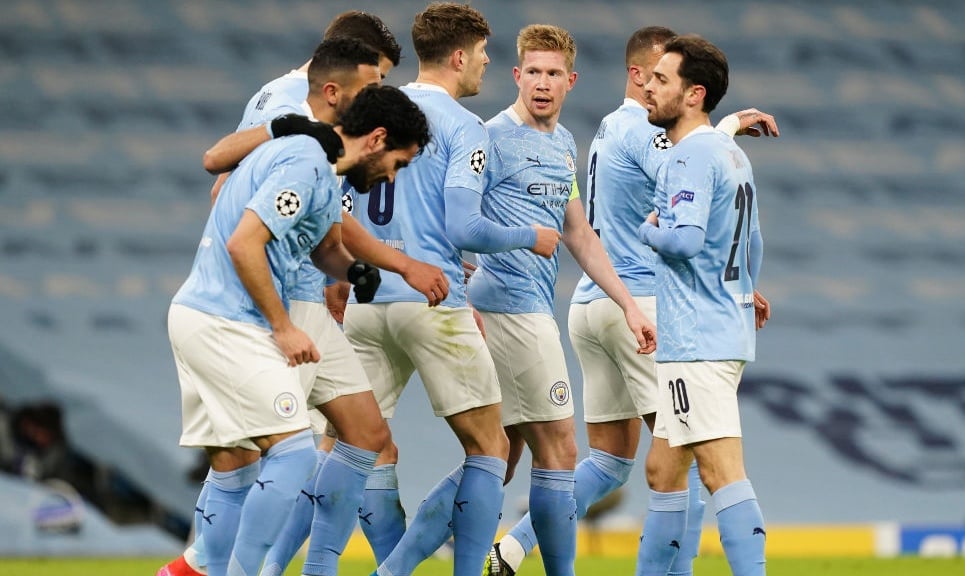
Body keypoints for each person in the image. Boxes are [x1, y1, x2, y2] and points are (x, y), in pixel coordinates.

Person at [486, 26, 776, 576]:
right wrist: (730, 127)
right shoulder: (659, 136)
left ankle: (515, 546)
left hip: (592, 303)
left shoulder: (605, 129)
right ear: (642, 75)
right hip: (644, 305)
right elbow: (695, 172)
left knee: (623, 461)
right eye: (658, 77)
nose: (657, 90)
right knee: (697, 467)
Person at [157, 36, 444, 576]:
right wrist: (283, 326)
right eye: (398, 164)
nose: (392, 177)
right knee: (288, 456)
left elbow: (326, 249)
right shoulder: (306, 161)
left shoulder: (324, 164)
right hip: (226, 321)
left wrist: (357, 272)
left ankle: (198, 572)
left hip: (234, 315)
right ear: (377, 139)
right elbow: (245, 242)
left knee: (362, 434)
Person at [340, 4, 561, 576]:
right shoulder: (463, 126)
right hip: (431, 299)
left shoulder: (376, 111)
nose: (487, 65)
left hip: (366, 302)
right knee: (491, 449)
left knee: (357, 449)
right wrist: (529, 234)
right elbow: (464, 227)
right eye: (484, 54)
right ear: (459, 56)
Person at [462, 24, 657, 576]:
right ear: (516, 75)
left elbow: (580, 234)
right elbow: (453, 215)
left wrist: (628, 303)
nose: (542, 83)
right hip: (506, 311)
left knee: (498, 458)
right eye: (533, 72)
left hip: (539, 310)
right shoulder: (491, 137)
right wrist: (460, 281)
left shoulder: (562, 144)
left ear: (570, 81)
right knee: (560, 452)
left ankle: (463, 553)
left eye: (553, 74)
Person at [635, 34, 767, 576]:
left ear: (694, 95)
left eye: (662, 80)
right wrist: (742, 288)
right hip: (720, 327)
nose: (648, 86)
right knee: (663, 471)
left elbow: (685, 240)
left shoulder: (689, 155)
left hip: (696, 340)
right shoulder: (730, 152)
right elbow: (753, 243)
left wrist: (648, 231)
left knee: (721, 473)